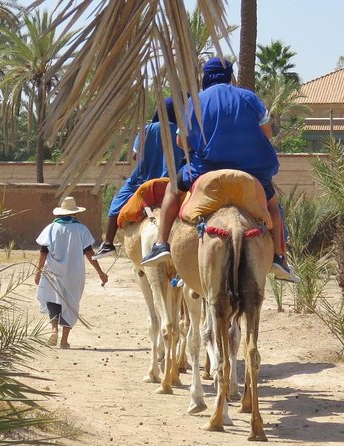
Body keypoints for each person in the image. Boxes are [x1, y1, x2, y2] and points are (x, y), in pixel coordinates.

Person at [141, 57, 298, 282]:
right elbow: (268, 133)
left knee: (173, 190)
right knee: (273, 205)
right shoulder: (250, 97)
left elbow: (181, 144)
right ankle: (278, 257)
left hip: (205, 170)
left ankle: (161, 243)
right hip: (252, 171)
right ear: (230, 75)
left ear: (206, 77)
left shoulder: (194, 102)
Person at [93, 97, 185, 260]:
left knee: (116, 204)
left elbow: (136, 156)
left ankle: (108, 243)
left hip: (142, 182)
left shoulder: (147, 130)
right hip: (172, 182)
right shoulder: (181, 131)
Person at [35, 196, 109, 348]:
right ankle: (64, 340)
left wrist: (38, 271)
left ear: (60, 213)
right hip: (74, 273)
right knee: (71, 303)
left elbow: (43, 251)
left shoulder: (51, 228)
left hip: (53, 270)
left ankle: (54, 329)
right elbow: (89, 253)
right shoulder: (81, 229)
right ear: (75, 214)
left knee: (52, 298)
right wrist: (100, 272)